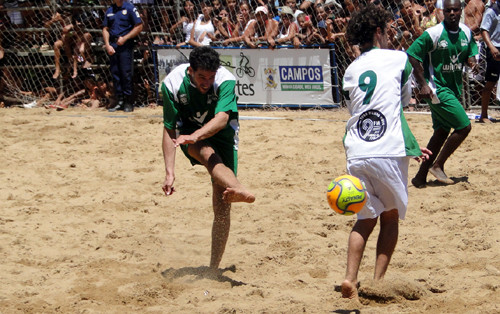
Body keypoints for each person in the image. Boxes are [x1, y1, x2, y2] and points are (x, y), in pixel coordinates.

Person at [340, 3, 431, 299]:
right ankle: (377, 282)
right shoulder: (399, 59)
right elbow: (400, 107)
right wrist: (413, 146)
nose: (390, 36)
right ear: (379, 31)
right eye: (388, 31)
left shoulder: (351, 69)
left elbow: (359, 108)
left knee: (365, 219)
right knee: (390, 218)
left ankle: (350, 279)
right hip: (388, 149)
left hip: (357, 149)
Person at [160, 46, 255, 271]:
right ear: (190, 70)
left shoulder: (225, 79)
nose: (206, 82)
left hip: (223, 135)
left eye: (210, 77)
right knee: (206, 153)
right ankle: (242, 189)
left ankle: (213, 269)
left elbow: (222, 119)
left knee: (222, 205)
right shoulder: (172, 83)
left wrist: (196, 135)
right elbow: (169, 128)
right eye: (201, 76)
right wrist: (169, 172)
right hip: (190, 135)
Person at [407, 0, 479, 187]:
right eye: (448, 10)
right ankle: (438, 164)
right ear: (442, 12)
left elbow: (470, 53)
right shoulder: (433, 33)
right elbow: (412, 55)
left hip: (453, 88)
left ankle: (420, 176)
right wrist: (422, 83)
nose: (452, 13)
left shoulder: (466, 32)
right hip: (436, 88)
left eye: (456, 9)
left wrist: (472, 62)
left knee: (441, 132)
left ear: (461, 10)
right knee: (464, 127)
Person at [103, 0, 143, 113]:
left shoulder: (130, 8)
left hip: (125, 45)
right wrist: (107, 45)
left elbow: (139, 26)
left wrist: (125, 38)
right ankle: (119, 100)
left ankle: (128, 101)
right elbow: (105, 28)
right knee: (115, 73)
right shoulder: (110, 10)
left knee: (126, 73)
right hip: (113, 45)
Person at [479, 0, 500, 123]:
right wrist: (491, 47)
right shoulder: (491, 11)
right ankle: (484, 115)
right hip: (495, 48)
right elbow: (484, 30)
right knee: (491, 83)